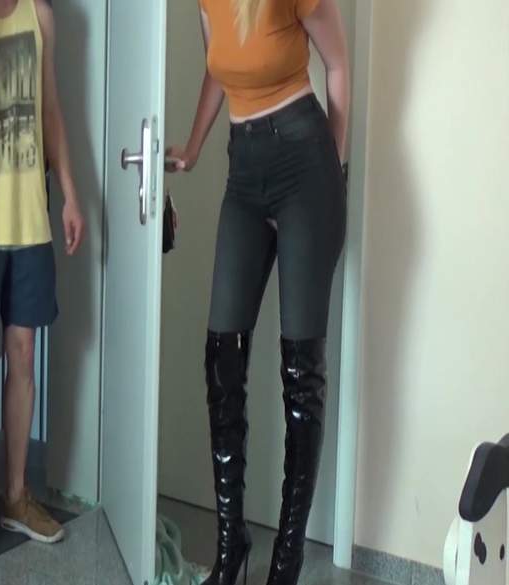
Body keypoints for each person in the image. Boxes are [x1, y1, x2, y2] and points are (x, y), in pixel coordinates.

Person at [167, 0, 349, 583]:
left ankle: (287, 560)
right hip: (244, 169)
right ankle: (232, 546)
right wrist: (193, 146)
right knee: (221, 355)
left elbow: (338, 67)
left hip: (305, 162)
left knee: (301, 372)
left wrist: (335, 173)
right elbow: (218, 71)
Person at [0, 0, 84, 545]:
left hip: (30, 220)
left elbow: (50, 109)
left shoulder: (39, 15)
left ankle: (15, 497)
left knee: (23, 354)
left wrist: (71, 195)